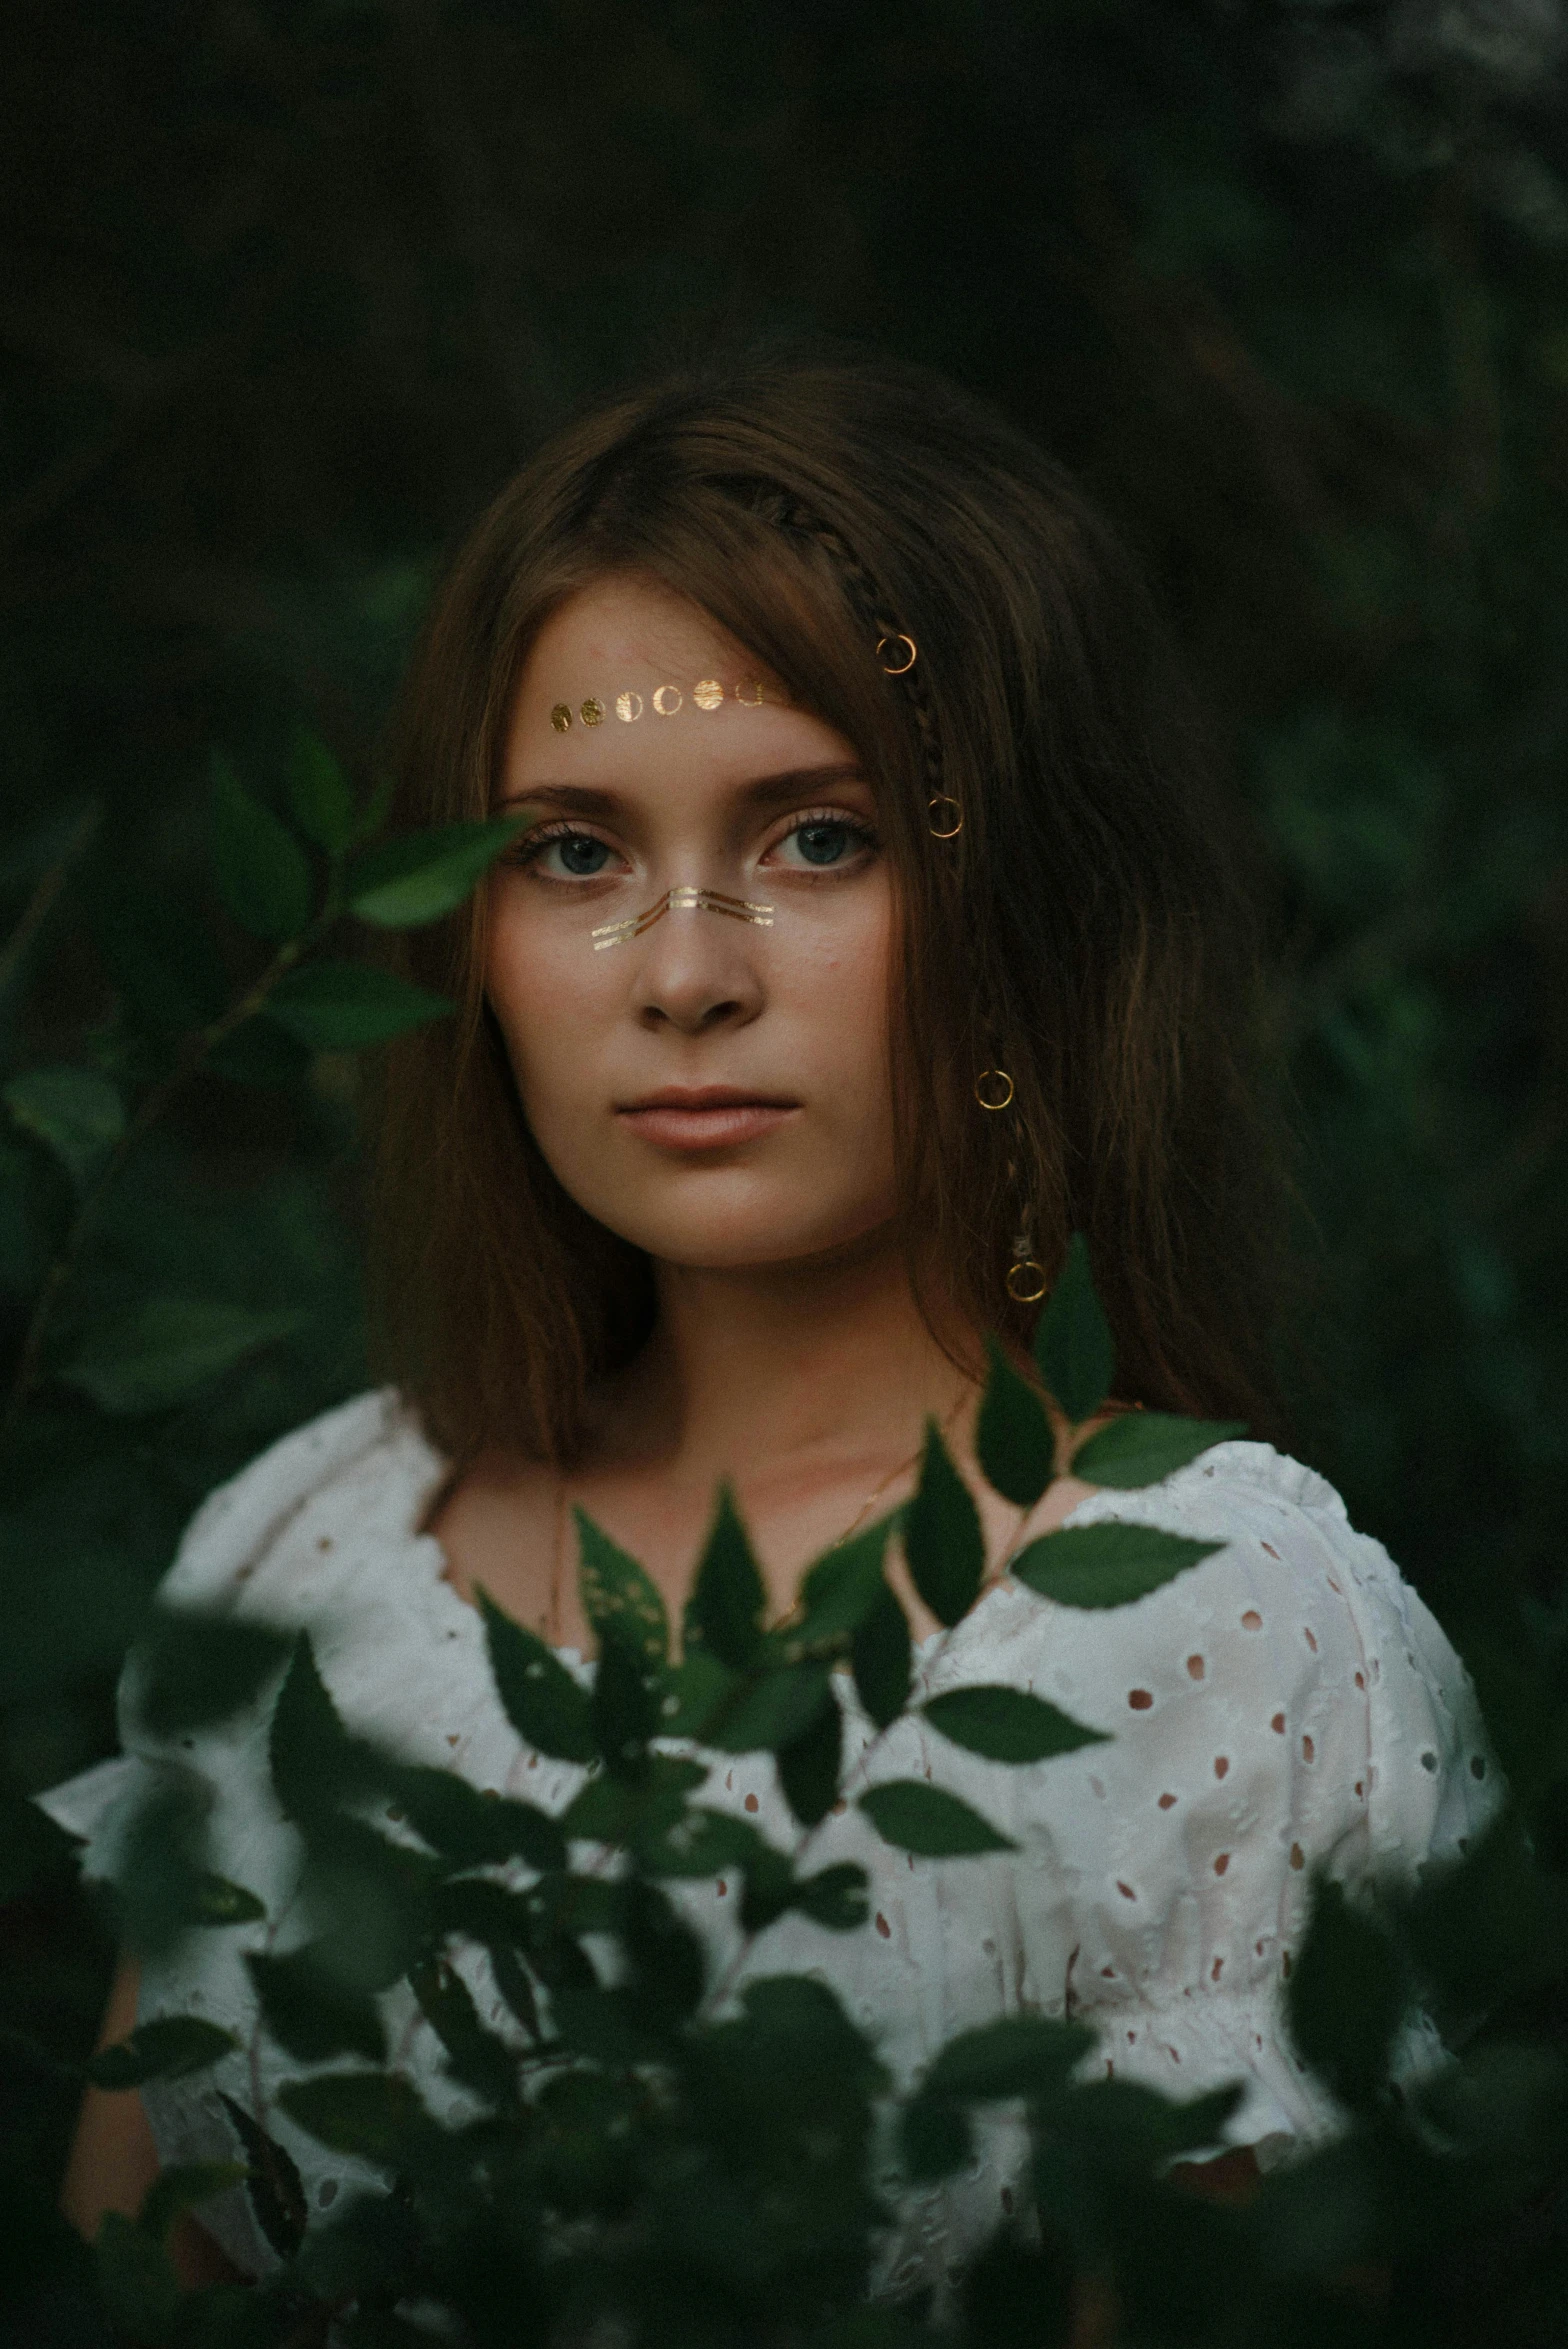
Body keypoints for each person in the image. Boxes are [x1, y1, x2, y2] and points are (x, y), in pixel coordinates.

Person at [45, 351, 1496, 2292]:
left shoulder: (1222, 1628)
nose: (687, 976)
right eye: (575, 851)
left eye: (818, 835)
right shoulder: (300, 1542)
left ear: (1029, 908)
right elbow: (124, 2288)